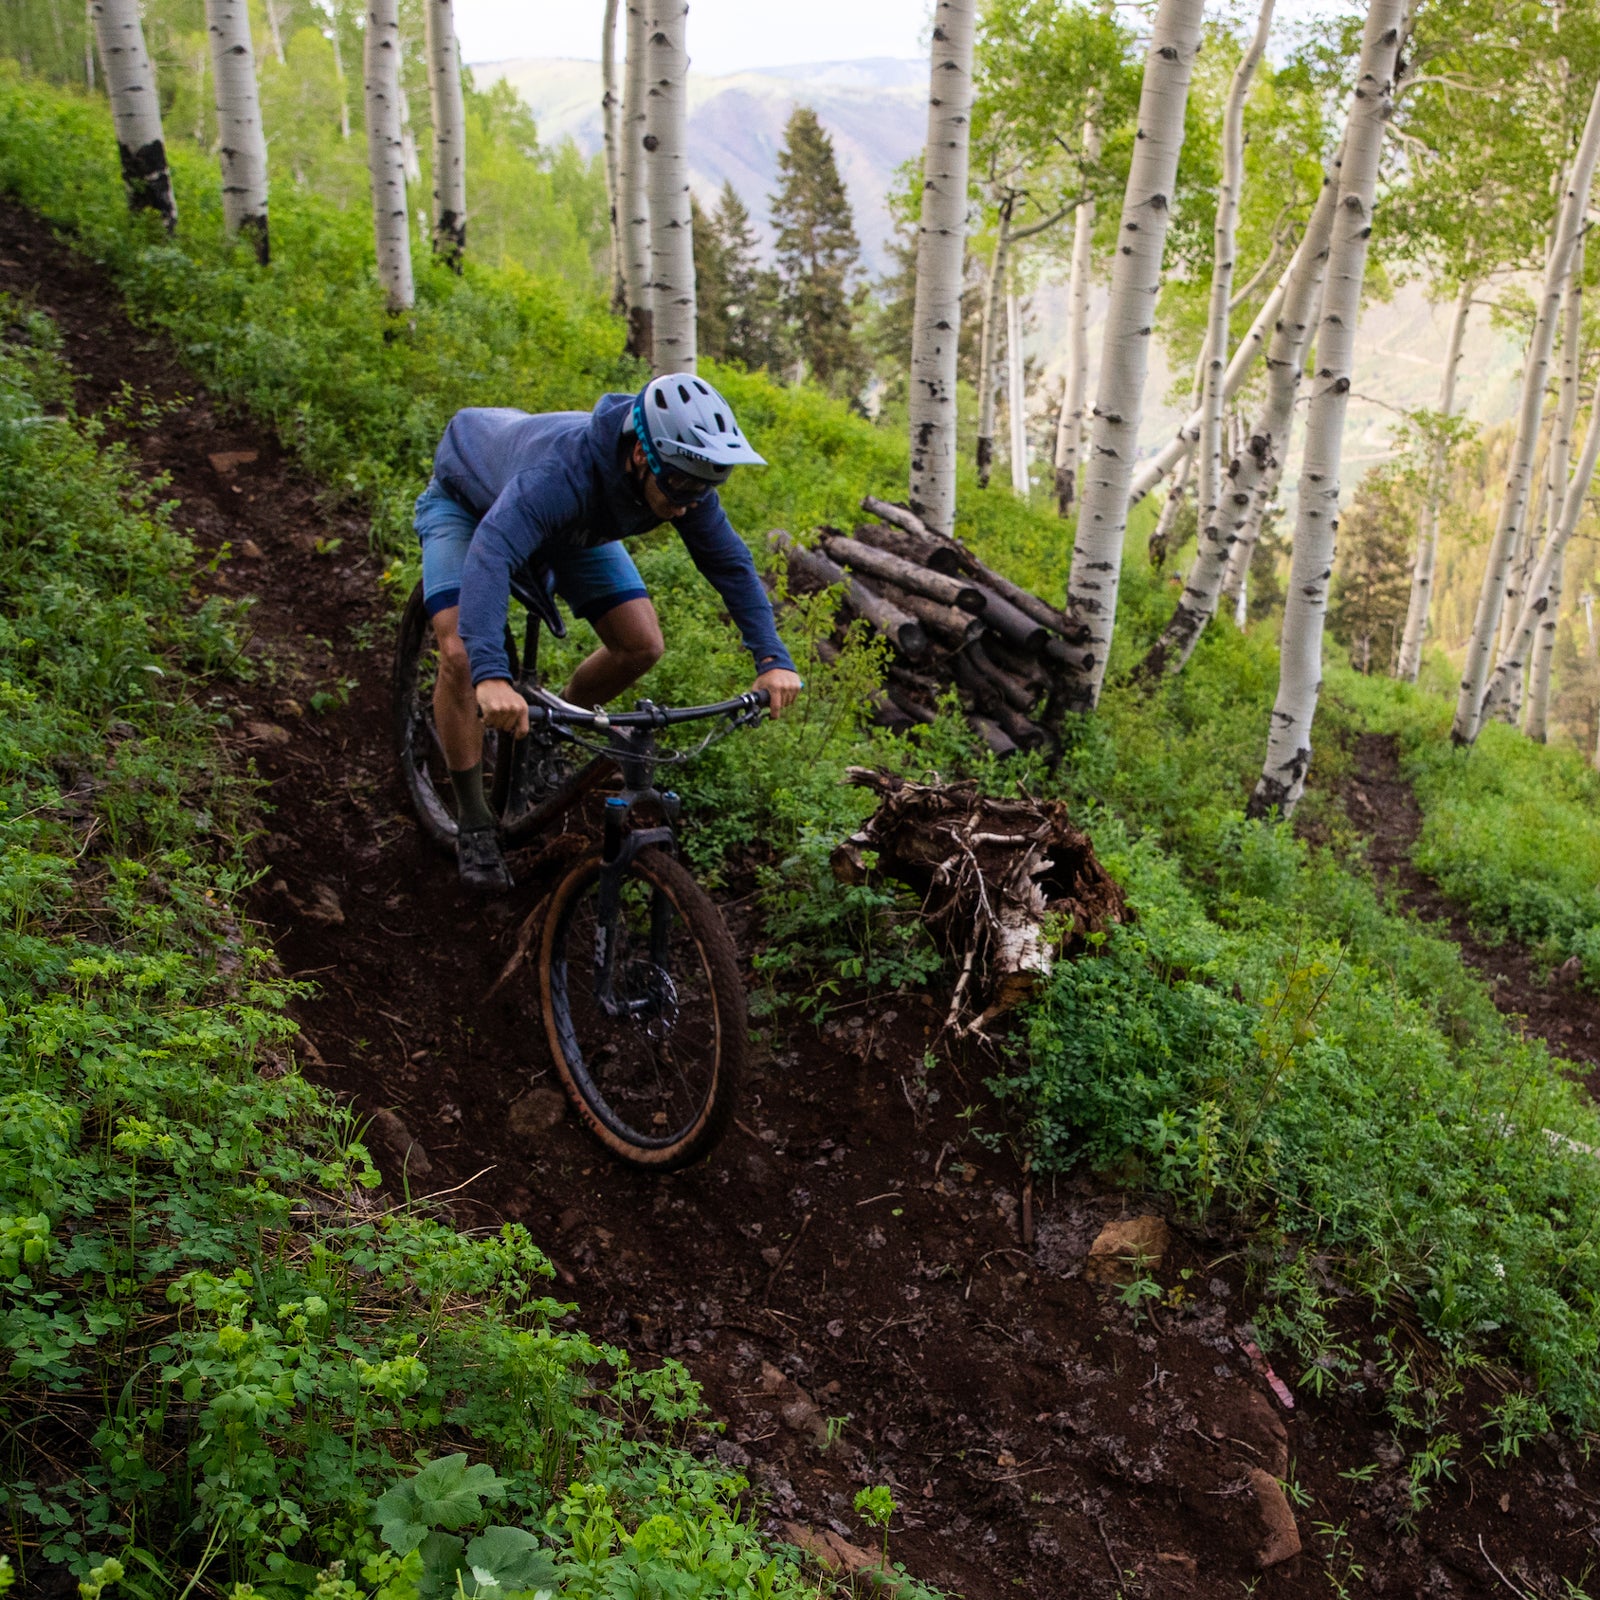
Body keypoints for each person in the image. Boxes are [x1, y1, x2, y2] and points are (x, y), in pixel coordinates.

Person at [414, 372, 803, 892]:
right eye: (683, 487)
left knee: (641, 644)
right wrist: (491, 675)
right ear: (642, 454)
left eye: (706, 487)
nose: (691, 503)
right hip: (470, 504)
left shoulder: (682, 474)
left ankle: (554, 732)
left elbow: (729, 564)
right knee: (461, 654)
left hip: (569, 523)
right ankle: (474, 821)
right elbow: (494, 549)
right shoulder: (561, 473)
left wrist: (772, 659)